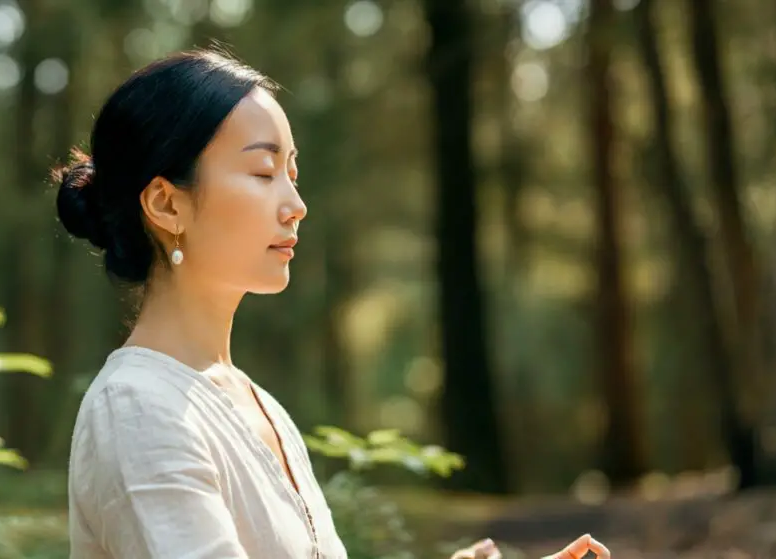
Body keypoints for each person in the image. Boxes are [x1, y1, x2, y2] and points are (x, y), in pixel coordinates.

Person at [58, 49, 610, 559]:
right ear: (165, 203)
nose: (295, 205)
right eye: (262, 172)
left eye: (292, 175)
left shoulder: (258, 406)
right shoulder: (136, 409)